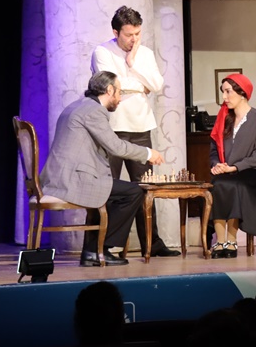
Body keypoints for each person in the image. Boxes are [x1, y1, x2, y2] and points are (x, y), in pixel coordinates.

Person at [39, 71, 164, 266]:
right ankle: (100, 249)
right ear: (109, 90)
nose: (120, 99)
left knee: (116, 192)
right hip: (72, 180)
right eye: (119, 92)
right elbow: (116, 147)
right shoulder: (94, 111)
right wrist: (148, 153)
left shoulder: (77, 106)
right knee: (134, 192)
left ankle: (92, 251)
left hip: (60, 177)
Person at [91, 6, 178, 257]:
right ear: (116, 32)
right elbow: (110, 84)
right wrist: (141, 86)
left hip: (140, 127)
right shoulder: (102, 52)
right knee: (107, 189)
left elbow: (157, 84)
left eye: (137, 34)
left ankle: (152, 243)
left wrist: (132, 64)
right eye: (129, 35)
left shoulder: (145, 53)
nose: (133, 39)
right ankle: (100, 246)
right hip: (112, 128)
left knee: (145, 188)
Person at [209, 73, 256, 258]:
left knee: (234, 185)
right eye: (223, 92)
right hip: (229, 171)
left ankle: (232, 240)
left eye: (228, 92)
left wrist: (235, 168)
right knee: (218, 184)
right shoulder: (224, 118)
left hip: (255, 171)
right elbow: (213, 150)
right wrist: (217, 165)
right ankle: (220, 241)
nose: (224, 97)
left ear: (242, 93)